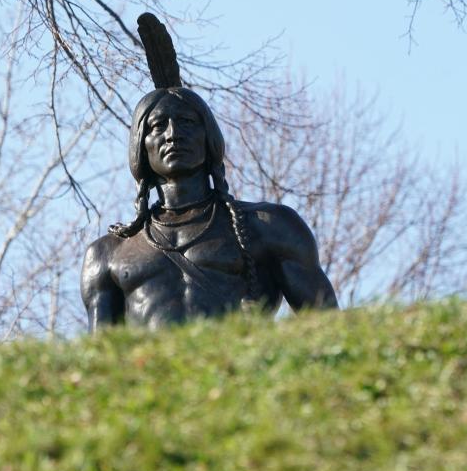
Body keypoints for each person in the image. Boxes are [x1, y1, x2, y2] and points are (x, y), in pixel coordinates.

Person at [80, 85, 337, 331]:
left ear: (208, 137)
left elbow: (327, 325)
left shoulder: (268, 226)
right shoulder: (107, 254)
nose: (173, 134)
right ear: (140, 145)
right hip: (152, 373)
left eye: (187, 122)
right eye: (158, 125)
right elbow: (101, 358)